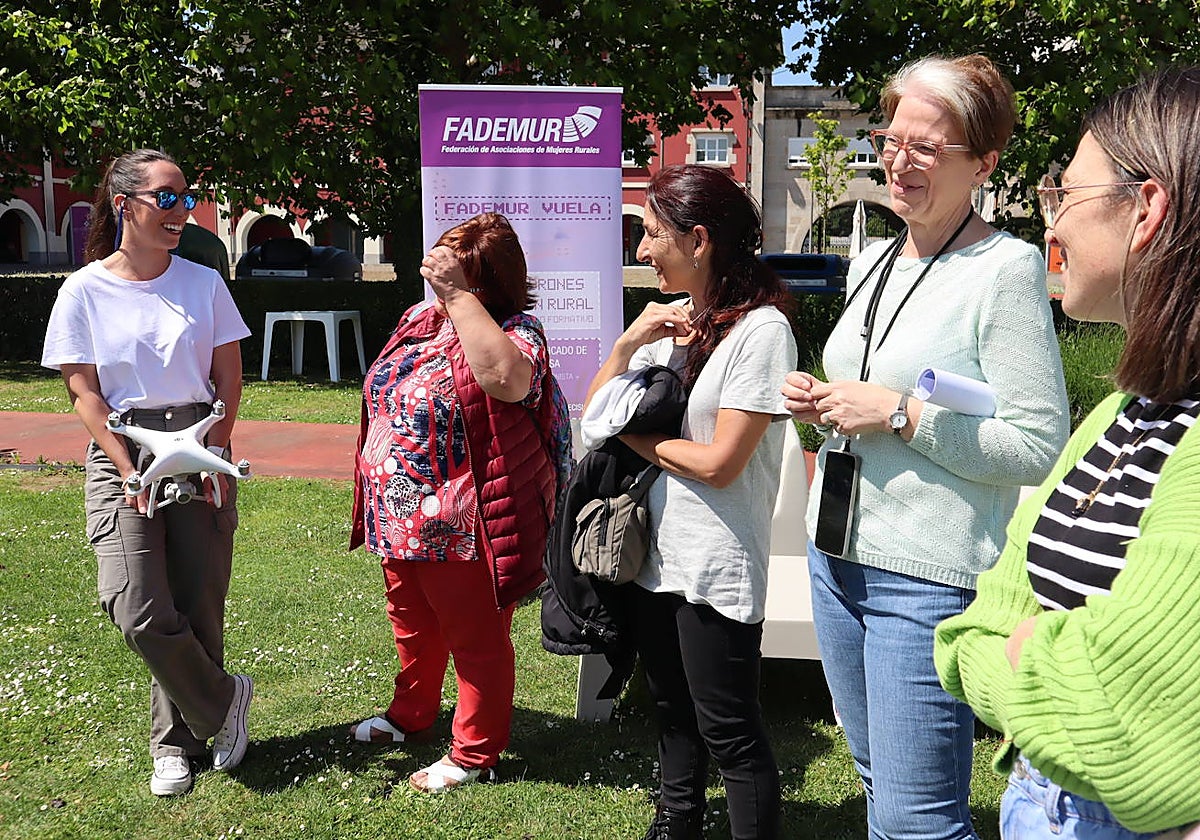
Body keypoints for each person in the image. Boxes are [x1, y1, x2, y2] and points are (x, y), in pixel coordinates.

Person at [780, 55, 1070, 839]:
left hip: (928, 579)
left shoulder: (1003, 270)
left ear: (983, 163)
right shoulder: (873, 257)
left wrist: (903, 415)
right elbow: (870, 391)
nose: (898, 162)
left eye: (925, 148)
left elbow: (1040, 446)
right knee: (880, 783)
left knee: (917, 819)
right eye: (891, 139)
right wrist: (826, 404)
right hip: (834, 553)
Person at [935, 67, 1200, 840]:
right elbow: (974, 626)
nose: (1049, 226)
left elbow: (1117, 722)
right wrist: (1038, 656)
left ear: (1147, 208)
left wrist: (1020, 649)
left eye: (1066, 198)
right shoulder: (1127, 409)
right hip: (1038, 799)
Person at [585, 164, 797, 840]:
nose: (643, 250)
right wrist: (626, 344)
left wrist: (639, 438)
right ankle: (675, 825)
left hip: (717, 562)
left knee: (729, 729)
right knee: (671, 709)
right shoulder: (684, 325)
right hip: (658, 555)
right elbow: (595, 415)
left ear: (698, 239)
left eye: (652, 235)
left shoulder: (761, 332)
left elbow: (721, 464)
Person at [40, 148, 254, 797]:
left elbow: (228, 375)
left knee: (197, 602)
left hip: (196, 437)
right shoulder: (83, 291)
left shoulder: (202, 282)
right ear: (124, 202)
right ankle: (224, 700)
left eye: (186, 198)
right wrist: (125, 461)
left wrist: (218, 447)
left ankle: (175, 746)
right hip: (122, 447)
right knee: (134, 605)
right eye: (168, 197)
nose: (181, 211)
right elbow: (86, 393)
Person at [348, 213, 571, 792]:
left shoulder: (517, 330)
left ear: (486, 281)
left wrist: (458, 297)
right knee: (411, 625)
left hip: (462, 521)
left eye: (453, 268)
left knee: (475, 638)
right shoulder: (420, 318)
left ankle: (475, 751)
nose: (436, 274)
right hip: (397, 514)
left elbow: (506, 380)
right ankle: (411, 714)